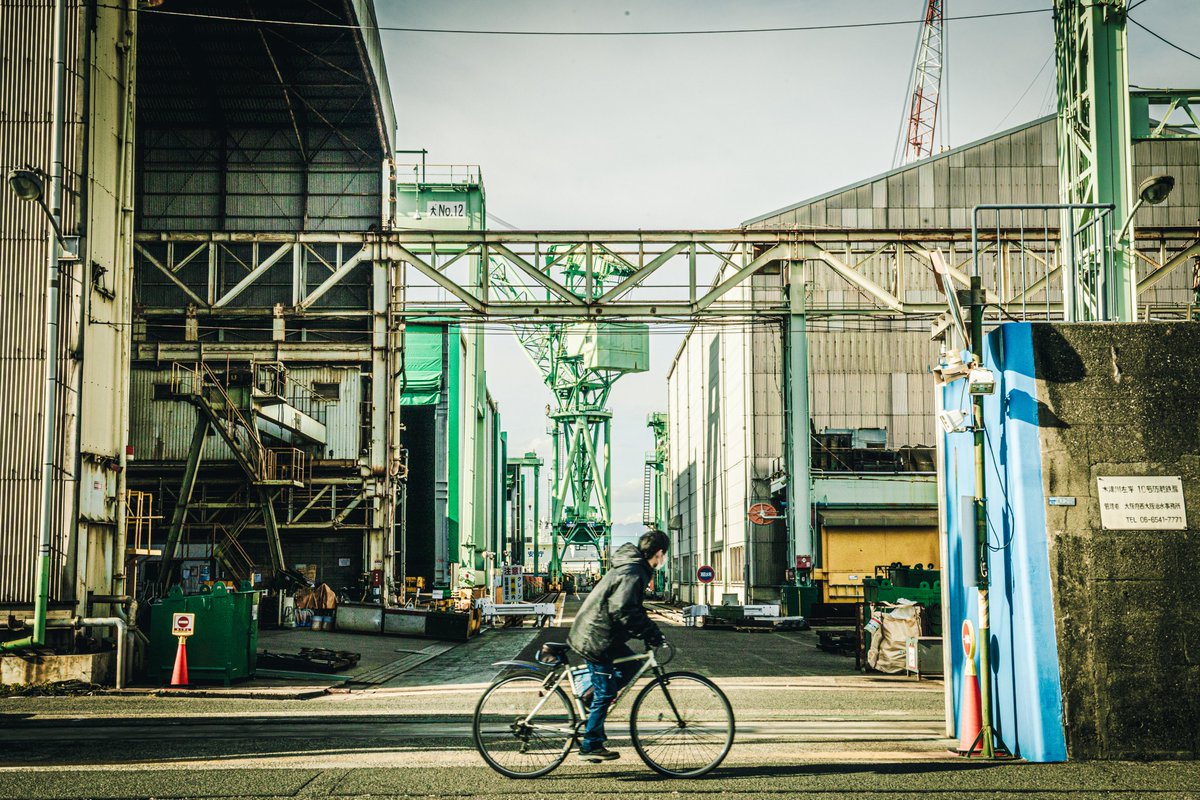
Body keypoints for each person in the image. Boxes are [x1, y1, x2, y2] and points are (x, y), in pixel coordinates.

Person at [567, 528, 669, 762]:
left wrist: (649, 629)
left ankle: (590, 701)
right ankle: (590, 744)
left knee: (632, 668)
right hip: (596, 638)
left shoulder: (633, 566)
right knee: (606, 690)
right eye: (664, 555)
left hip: (602, 634)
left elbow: (630, 607)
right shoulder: (634, 571)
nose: (663, 560)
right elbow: (623, 610)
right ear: (659, 553)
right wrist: (650, 633)